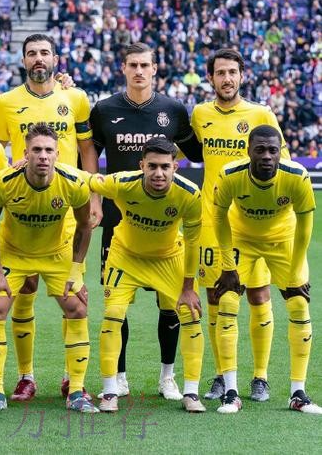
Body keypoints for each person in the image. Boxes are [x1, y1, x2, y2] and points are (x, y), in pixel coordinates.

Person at [89, 42, 203, 400]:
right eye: (133, 65)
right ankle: (119, 376)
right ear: (123, 68)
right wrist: (94, 199)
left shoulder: (173, 109)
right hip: (118, 223)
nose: (139, 71)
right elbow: (88, 153)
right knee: (116, 306)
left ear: (155, 69)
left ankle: (167, 377)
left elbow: (199, 153)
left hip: (163, 227)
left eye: (145, 65)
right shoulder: (104, 109)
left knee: (169, 306)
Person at [0, 33, 101, 401]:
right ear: (23, 60)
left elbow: (87, 147)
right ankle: (26, 376)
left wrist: (94, 195)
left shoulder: (75, 97)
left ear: (55, 58)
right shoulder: (6, 102)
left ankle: (73, 378)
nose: (38, 58)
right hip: (23, 212)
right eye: (31, 53)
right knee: (24, 292)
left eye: (44, 53)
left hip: (67, 210)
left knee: (73, 296)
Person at [190, 48, 288, 402]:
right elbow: (178, 147)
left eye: (232, 72)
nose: (227, 78)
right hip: (212, 222)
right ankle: (221, 374)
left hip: (251, 223)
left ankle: (260, 376)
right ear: (211, 78)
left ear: (242, 75)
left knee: (259, 294)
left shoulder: (261, 114)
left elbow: (282, 163)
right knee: (216, 296)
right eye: (220, 73)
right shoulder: (200, 115)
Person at [0, 123, 98, 414]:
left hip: (56, 253)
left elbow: (85, 225)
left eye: (48, 150)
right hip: (14, 254)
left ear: (57, 154)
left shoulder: (73, 182)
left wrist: (76, 271)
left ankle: (76, 391)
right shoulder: (5, 182)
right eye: (36, 150)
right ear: (25, 153)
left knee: (77, 308)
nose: (43, 156)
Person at [89, 137, 205, 413]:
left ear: (175, 167)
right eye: (152, 166)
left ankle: (187, 390)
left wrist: (188, 287)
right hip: (126, 256)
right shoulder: (122, 183)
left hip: (168, 257)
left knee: (190, 314)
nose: (158, 173)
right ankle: (110, 390)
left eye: (165, 166)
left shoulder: (189, 194)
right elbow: (87, 180)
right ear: (141, 165)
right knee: (113, 314)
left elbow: (193, 242)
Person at [212, 125, 320, 415]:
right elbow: (219, 217)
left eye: (273, 150)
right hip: (242, 239)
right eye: (260, 150)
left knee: (298, 303)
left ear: (280, 151)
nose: (267, 156)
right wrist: (228, 265)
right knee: (227, 300)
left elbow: (305, 225)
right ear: (248, 151)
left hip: (283, 240)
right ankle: (231, 393)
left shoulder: (297, 176)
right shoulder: (230, 175)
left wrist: (295, 272)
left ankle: (298, 393)